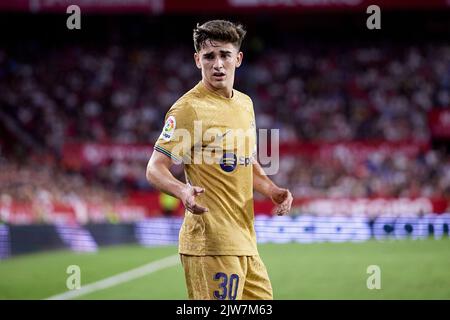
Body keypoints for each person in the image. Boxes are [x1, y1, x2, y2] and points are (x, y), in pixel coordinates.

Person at [146, 20, 293, 300]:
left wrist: (272, 190)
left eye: (224, 55)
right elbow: (154, 168)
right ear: (196, 60)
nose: (217, 64)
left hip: (246, 242)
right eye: (209, 56)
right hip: (211, 243)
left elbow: (245, 161)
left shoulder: (245, 104)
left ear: (238, 59)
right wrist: (182, 191)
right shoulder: (189, 109)